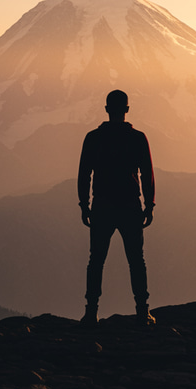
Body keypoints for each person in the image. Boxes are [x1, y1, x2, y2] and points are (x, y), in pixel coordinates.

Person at [78, 89, 155, 327]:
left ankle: (91, 313)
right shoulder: (138, 138)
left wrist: (84, 204)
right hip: (130, 205)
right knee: (136, 260)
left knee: (96, 260)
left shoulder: (93, 138)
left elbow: (84, 174)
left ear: (106, 109)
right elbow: (147, 175)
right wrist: (149, 205)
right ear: (127, 110)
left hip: (102, 205)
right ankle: (143, 312)